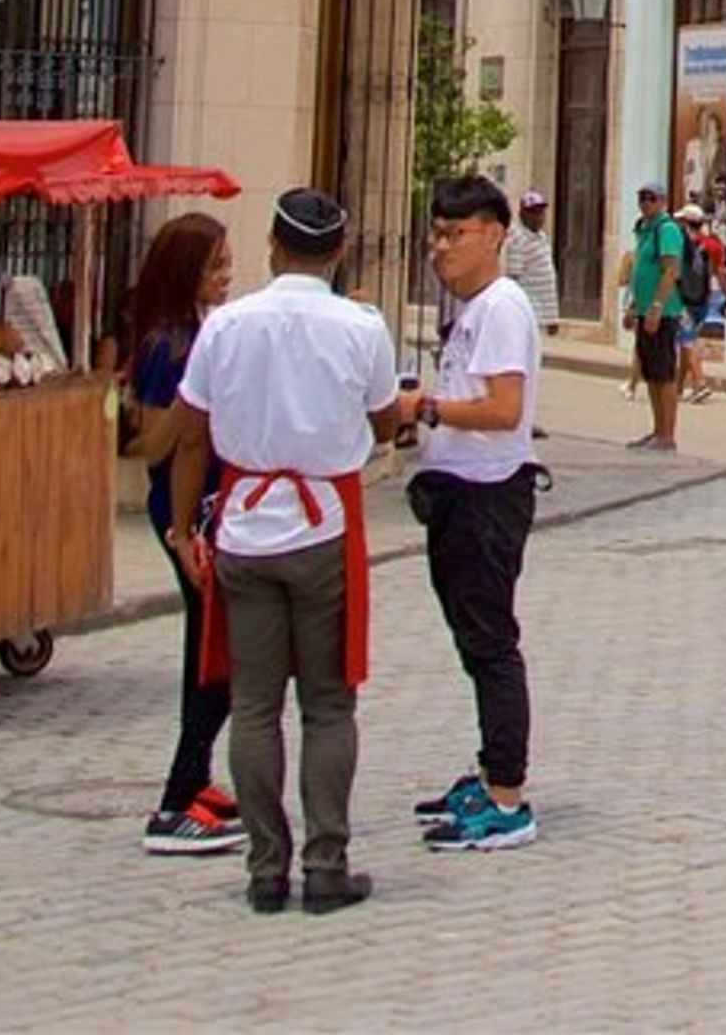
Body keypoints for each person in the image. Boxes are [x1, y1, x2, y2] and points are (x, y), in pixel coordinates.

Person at [173, 189, 406, 915]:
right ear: (337, 253)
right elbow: (386, 420)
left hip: (243, 526)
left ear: (274, 245)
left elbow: (189, 434)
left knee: (253, 706)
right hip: (323, 526)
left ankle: (265, 868)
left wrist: (184, 530)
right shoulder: (361, 327)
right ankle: (327, 863)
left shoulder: (227, 325)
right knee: (329, 705)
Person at [406, 176, 541, 855]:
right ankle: (488, 772)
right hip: (455, 490)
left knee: (491, 644)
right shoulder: (471, 308)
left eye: (455, 234)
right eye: (436, 233)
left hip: (487, 495)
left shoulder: (503, 307)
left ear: (494, 234)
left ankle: (506, 797)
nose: (441, 248)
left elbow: (503, 410)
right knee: (472, 640)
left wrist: (425, 410)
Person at [120, 214, 239, 854]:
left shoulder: (198, 333)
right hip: (186, 514)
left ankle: (195, 779)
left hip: (206, 507)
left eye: (227, 265)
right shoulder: (172, 345)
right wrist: (202, 408)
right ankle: (176, 796)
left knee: (212, 647)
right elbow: (157, 438)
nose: (226, 278)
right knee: (216, 655)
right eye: (215, 266)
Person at [621, 184, 690, 450]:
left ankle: (667, 433)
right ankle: (656, 429)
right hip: (644, 309)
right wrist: (634, 307)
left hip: (664, 311)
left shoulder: (667, 229)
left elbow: (670, 270)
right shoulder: (644, 230)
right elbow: (642, 272)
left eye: (651, 198)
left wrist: (657, 306)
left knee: (664, 373)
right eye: (642, 198)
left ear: (662, 201)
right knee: (650, 372)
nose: (646, 203)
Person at [677, 202, 726, 401]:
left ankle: (699, 383)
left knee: (687, 342)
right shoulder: (713, 245)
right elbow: (721, 273)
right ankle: (679, 387)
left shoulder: (680, 244)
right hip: (702, 300)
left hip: (683, 300)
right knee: (686, 341)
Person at [502, 192, 561, 336]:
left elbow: (547, 282)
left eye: (541, 212)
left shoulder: (541, 237)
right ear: (522, 214)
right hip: (527, 313)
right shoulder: (517, 238)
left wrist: (552, 317)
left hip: (542, 315)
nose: (539, 217)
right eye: (533, 212)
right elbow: (514, 279)